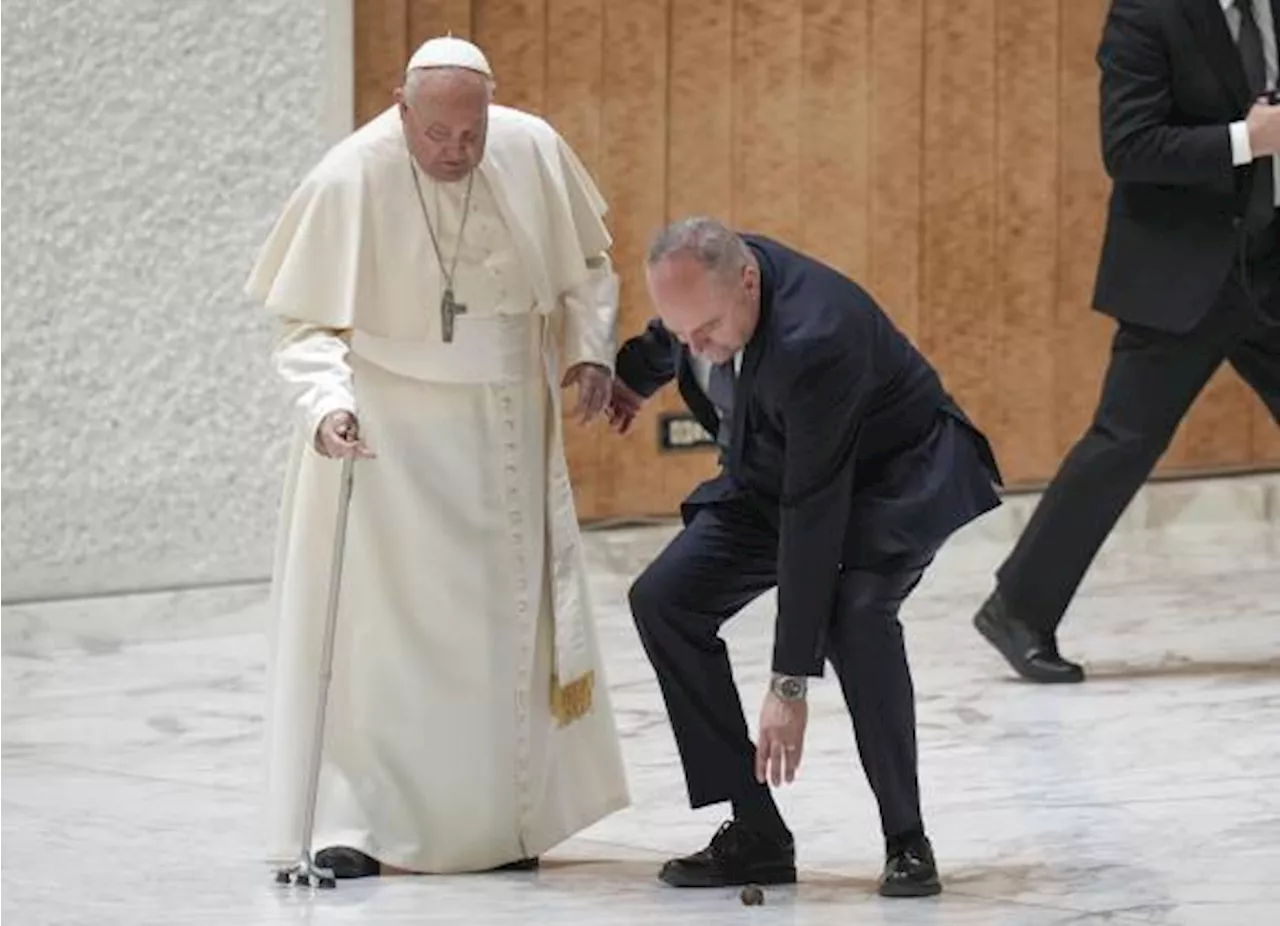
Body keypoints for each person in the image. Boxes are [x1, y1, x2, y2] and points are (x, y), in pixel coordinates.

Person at [243, 35, 629, 877]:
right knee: (387, 638)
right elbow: (306, 325)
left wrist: (590, 350)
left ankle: (502, 827)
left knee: (504, 634)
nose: (454, 153)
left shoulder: (529, 148)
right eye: (436, 136)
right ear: (400, 106)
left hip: (508, 428)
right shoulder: (349, 177)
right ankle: (363, 825)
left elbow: (587, 267)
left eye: (470, 136)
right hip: (392, 440)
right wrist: (327, 405)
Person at [607, 217, 1003, 898]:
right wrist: (631, 380)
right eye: (682, 334)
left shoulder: (816, 338)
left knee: (856, 617)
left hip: (891, 479)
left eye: (703, 330)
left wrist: (789, 683)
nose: (693, 348)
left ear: (749, 284)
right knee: (665, 601)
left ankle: (906, 839)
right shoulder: (705, 298)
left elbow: (813, 513)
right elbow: (668, 339)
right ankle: (756, 833)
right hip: (775, 470)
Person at [972, 0, 1280, 684]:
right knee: (1122, 444)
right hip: (1182, 274)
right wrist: (1244, 140)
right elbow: (1129, 146)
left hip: (1269, 263)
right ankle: (1018, 608)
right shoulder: (1149, 14)